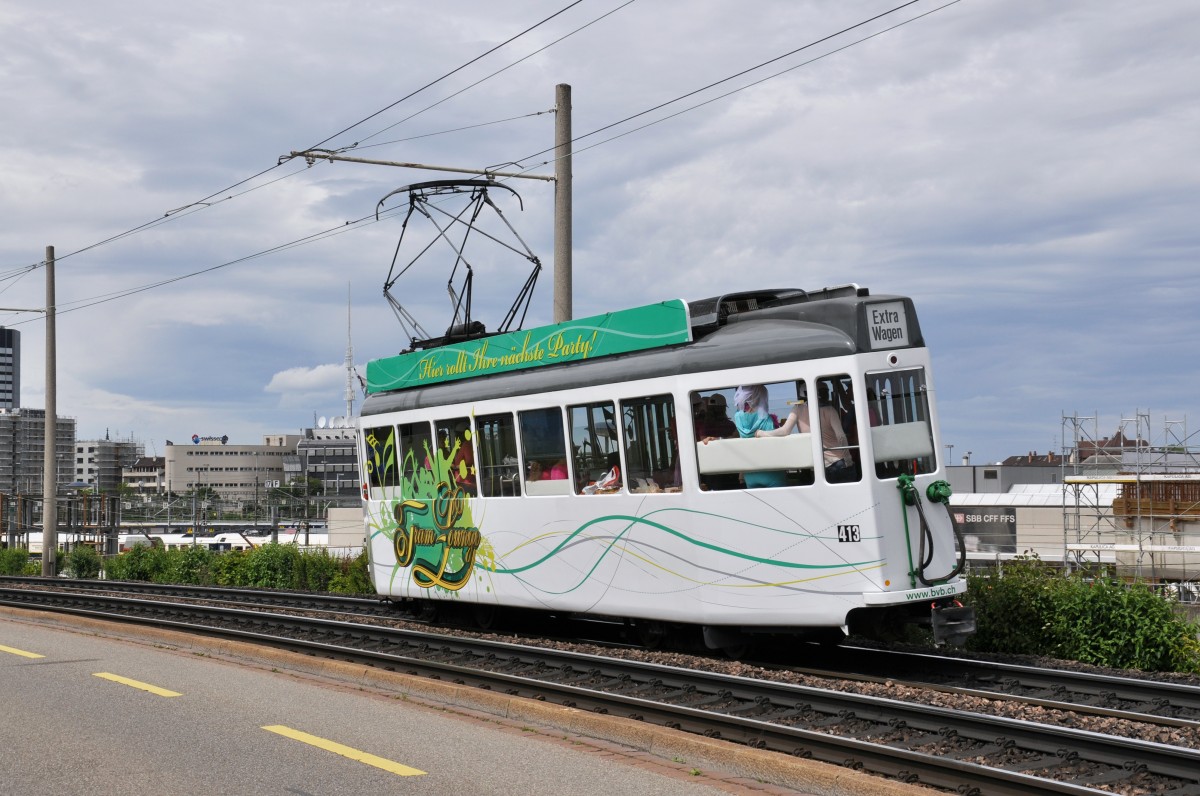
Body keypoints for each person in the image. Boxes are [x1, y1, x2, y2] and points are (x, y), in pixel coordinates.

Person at [732, 385, 787, 488]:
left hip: (750, 473)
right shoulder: (766, 418)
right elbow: (774, 445)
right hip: (771, 472)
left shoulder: (738, 417)